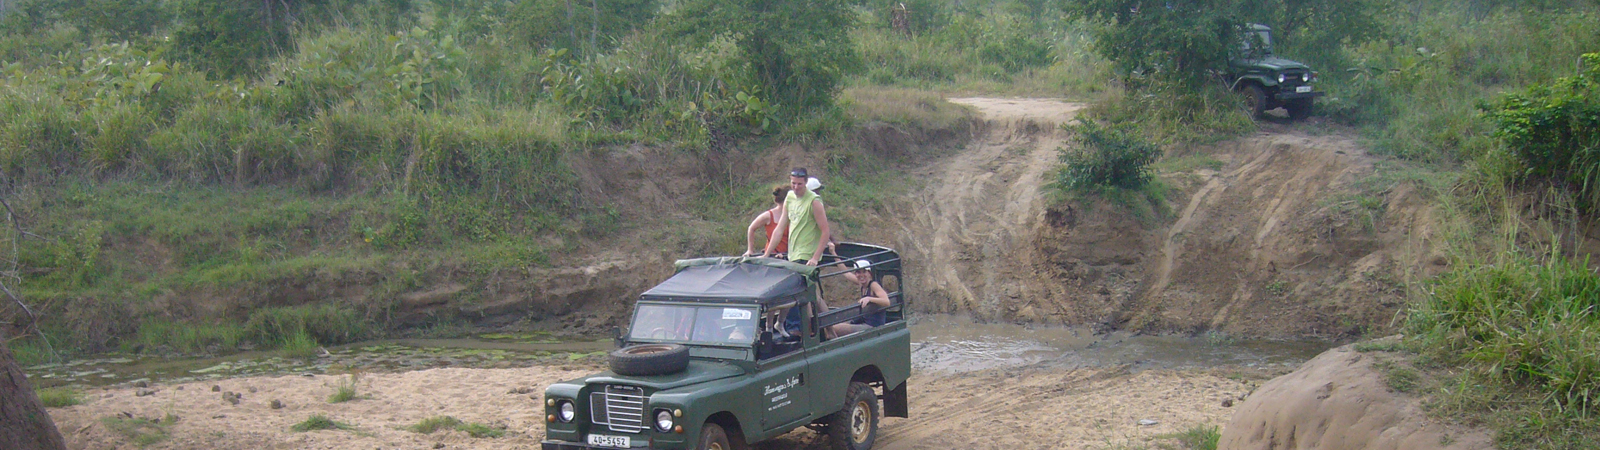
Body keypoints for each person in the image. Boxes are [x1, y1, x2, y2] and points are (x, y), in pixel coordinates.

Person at [761, 168, 831, 266]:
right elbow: (779, 229)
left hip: (807, 255)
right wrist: (767, 254)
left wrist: (815, 258)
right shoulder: (789, 197)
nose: (796, 187)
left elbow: (825, 231)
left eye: (799, 184)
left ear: (806, 182)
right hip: (792, 254)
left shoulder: (814, 201)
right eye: (793, 183)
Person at [827, 259, 891, 337]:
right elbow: (846, 273)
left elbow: (886, 301)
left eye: (864, 272)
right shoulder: (862, 283)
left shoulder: (873, 285)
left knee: (834, 328)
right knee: (832, 325)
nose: (861, 275)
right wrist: (834, 254)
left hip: (872, 326)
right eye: (858, 272)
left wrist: (869, 299)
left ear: (869, 273)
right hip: (862, 321)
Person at [743, 185, 791, 257]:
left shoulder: (793, 216)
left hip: (787, 255)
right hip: (771, 255)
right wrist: (750, 249)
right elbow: (751, 228)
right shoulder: (768, 215)